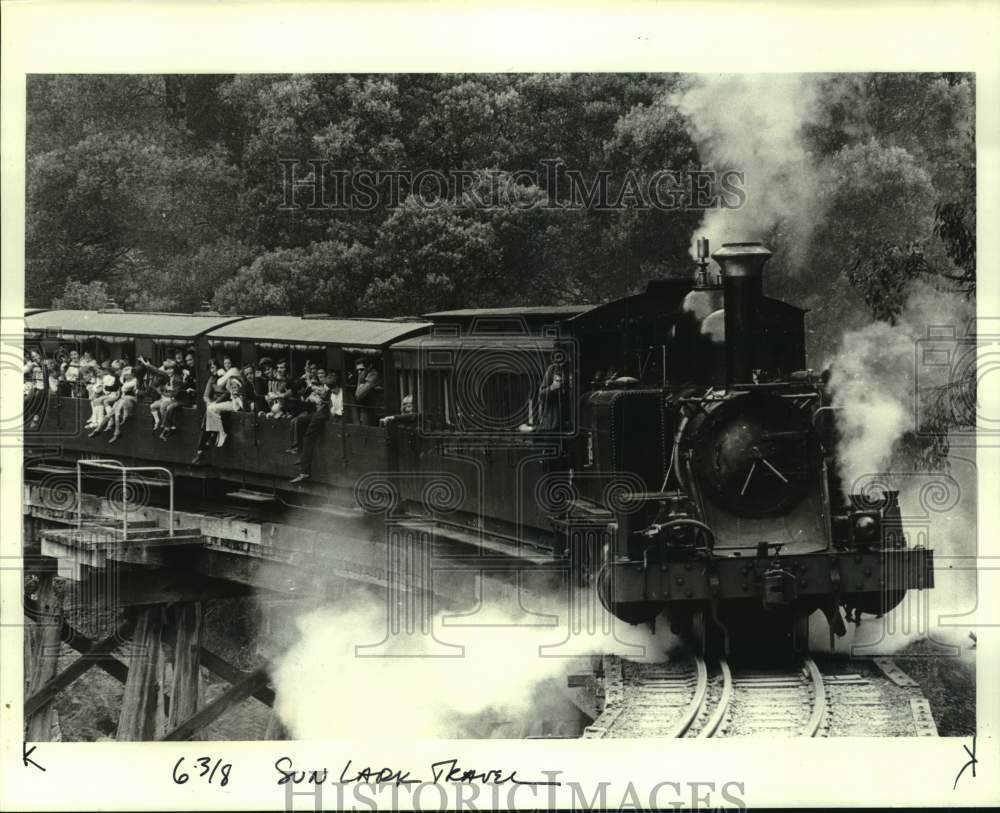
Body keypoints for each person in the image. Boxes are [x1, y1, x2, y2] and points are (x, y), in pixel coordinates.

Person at [290, 372, 343, 484]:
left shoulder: (342, 394)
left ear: (338, 386)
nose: (332, 391)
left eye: (333, 388)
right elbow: (328, 402)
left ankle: (305, 472)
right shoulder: (333, 393)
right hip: (324, 412)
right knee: (300, 421)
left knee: (309, 437)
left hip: (328, 416)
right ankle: (300, 452)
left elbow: (338, 411)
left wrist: (330, 409)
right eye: (330, 388)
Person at [353, 358, 383, 426]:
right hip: (370, 409)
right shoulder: (364, 376)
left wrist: (360, 380)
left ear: (369, 367)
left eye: (362, 369)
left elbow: (358, 395)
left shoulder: (374, 375)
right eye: (357, 370)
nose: (359, 372)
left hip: (378, 411)